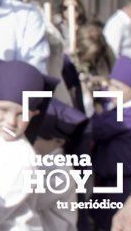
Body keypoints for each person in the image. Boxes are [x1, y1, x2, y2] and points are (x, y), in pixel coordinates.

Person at [0, 56, 57, 230]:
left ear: (34, 114)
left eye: (22, 114)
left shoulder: (23, 159)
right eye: (4, 110)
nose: (11, 121)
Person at [89, 56, 131, 230]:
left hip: (122, 185)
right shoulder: (125, 110)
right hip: (110, 182)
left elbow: (97, 127)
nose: (110, 91)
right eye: (110, 85)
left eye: (117, 87)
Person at [26, 98, 89, 231]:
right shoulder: (45, 162)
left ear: (59, 141)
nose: (29, 143)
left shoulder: (60, 173)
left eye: (35, 139)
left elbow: (28, 199)